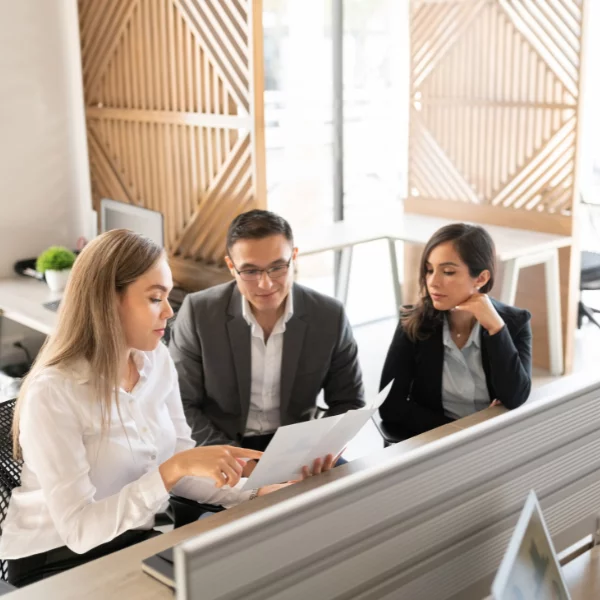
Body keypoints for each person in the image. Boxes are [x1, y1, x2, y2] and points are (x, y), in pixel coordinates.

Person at [0, 229, 293, 588]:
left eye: (168, 296)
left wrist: (253, 493)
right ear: (108, 302)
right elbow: (79, 530)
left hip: (130, 538)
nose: (169, 311)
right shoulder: (54, 392)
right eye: (156, 298)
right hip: (54, 559)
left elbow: (183, 466)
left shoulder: (156, 361)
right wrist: (170, 471)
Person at [169, 209, 365, 457]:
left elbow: (349, 402)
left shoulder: (329, 315)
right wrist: (236, 461)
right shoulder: (198, 313)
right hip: (219, 446)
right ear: (231, 266)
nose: (266, 284)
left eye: (277, 267)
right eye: (250, 271)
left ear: (294, 257)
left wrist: (322, 448)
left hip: (298, 449)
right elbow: (181, 405)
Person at [378, 223, 532, 439]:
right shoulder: (412, 322)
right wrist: (464, 429)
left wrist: (496, 329)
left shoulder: (515, 323)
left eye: (448, 272)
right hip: (434, 442)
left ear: (481, 278)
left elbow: (517, 396)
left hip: (495, 443)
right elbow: (389, 406)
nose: (433, 282)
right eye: (430, 270)